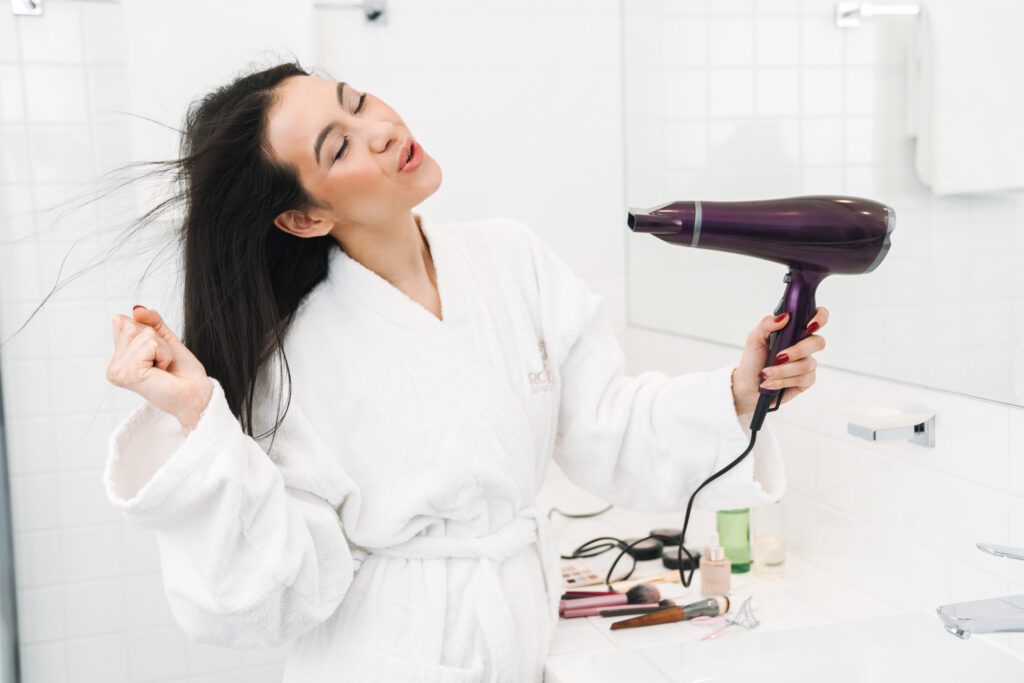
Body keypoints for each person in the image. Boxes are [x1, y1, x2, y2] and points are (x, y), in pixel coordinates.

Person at [103, 63, 827, 683]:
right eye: (339, 146)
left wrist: (737, 390)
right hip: (388, 652)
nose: (381, 129)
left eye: (357, 101)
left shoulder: (511, 259)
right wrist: (200, 413)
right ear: (303, 218)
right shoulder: (294, 355)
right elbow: (285, 585)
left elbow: (604, 421)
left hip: (518, 633)